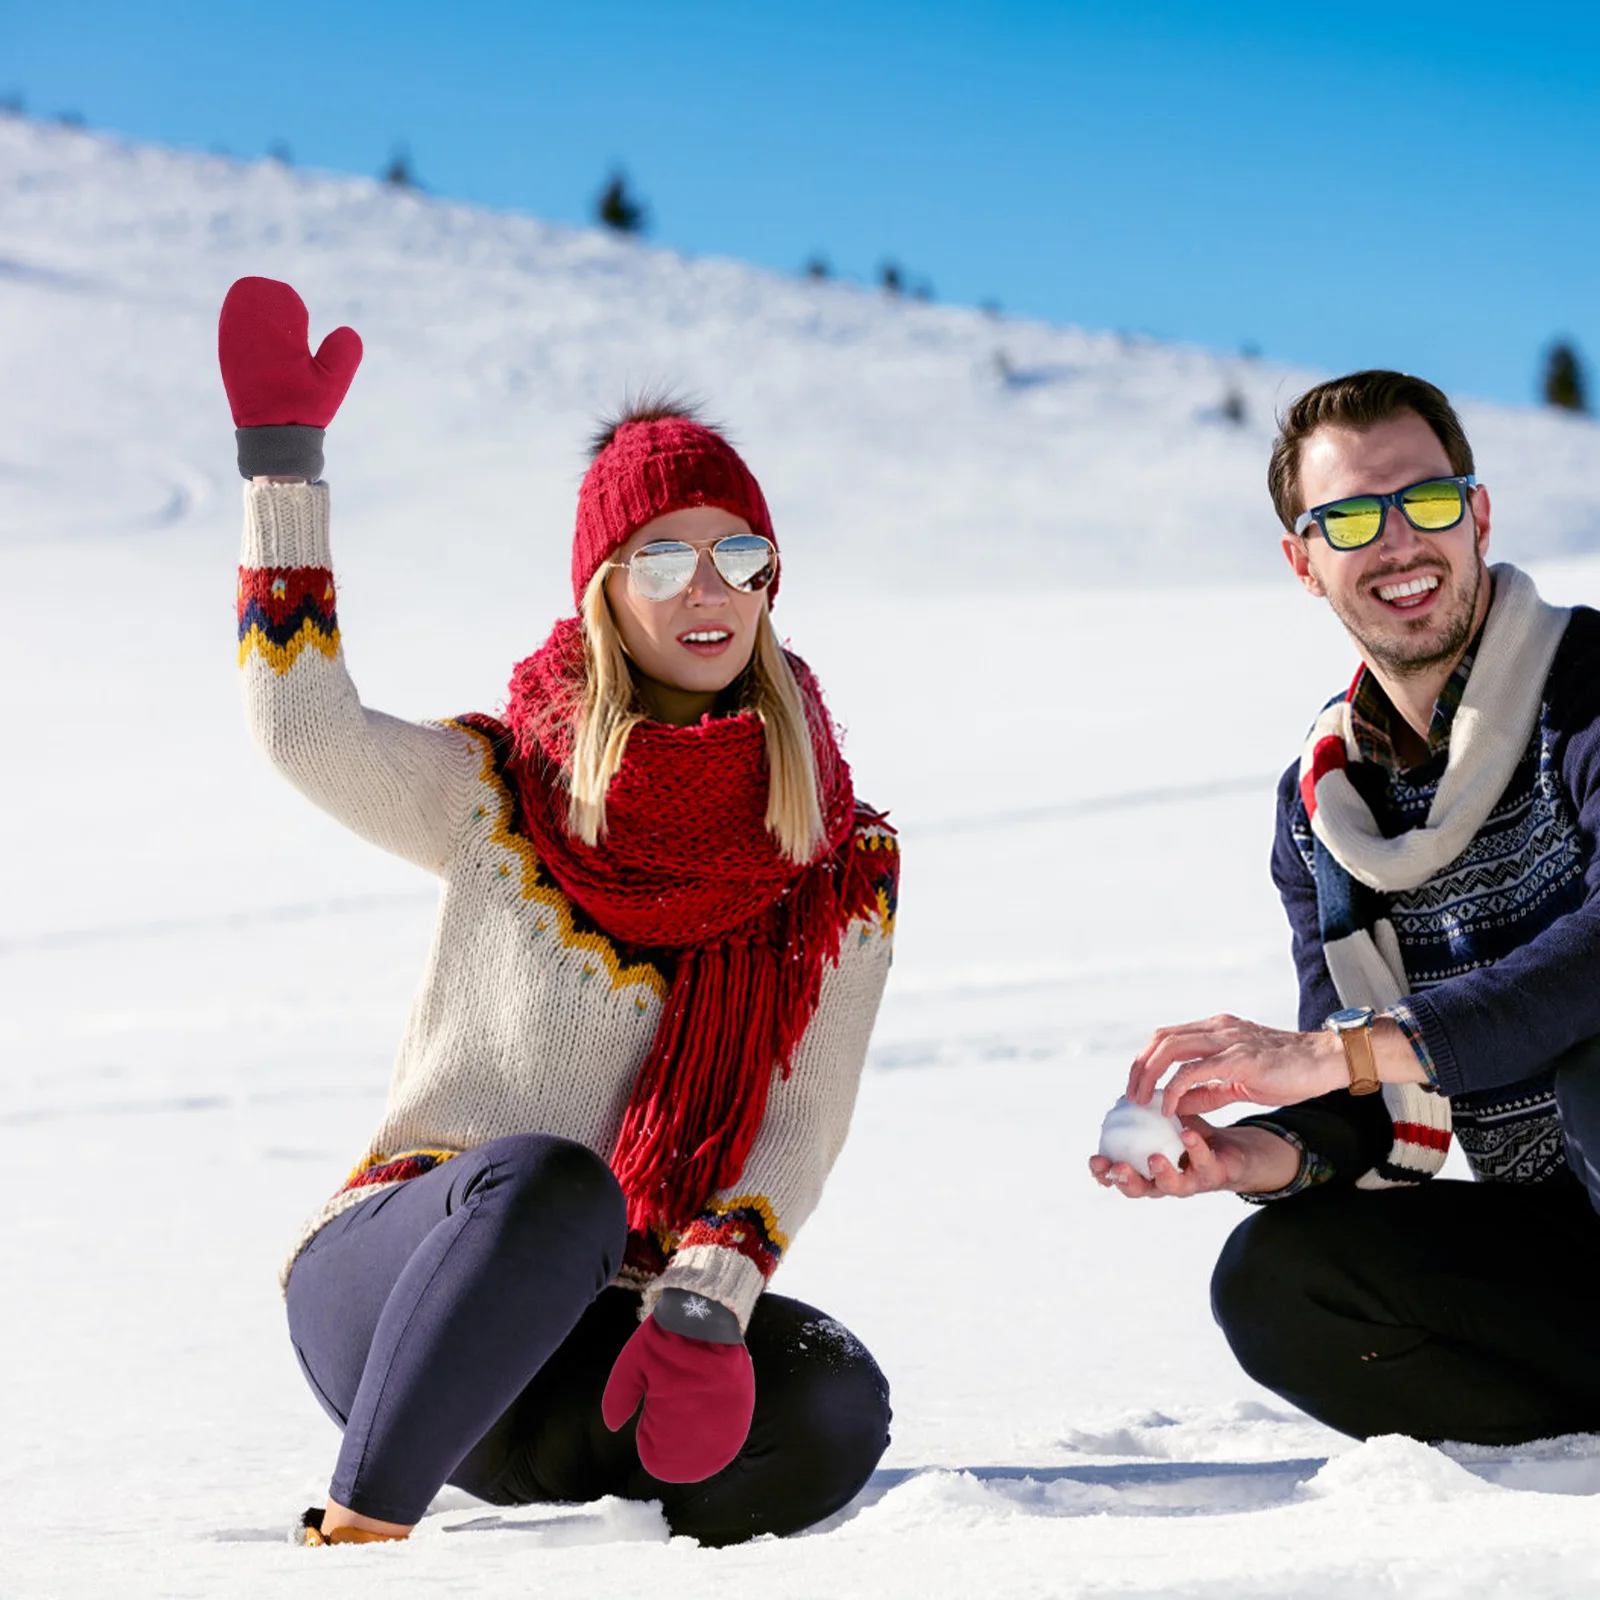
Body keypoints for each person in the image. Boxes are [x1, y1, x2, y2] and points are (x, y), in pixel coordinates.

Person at [219, 277, 900, 1547]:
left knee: (827, 1396)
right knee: (551, 1183)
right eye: (663, 554)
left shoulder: (837, 860)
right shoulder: (502, 791)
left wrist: (706, 1296)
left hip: (590, 1330)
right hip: (399, 1285)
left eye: (738, 553)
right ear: (603, 585)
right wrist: (283, 474)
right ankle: (363, 1524)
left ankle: (610, 1516)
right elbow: (302, 731)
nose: (710, 587)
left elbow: (800, 1120)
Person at [1089, 369, 1600, 1447]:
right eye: (1351, 518)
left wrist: (1352, 1051)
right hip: (1561, 1236)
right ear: (1303, 562)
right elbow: (1365, 1098)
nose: (1398, 543)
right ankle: (1558, 1469)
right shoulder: (1325, 810)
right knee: (1280, 1276)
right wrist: (1250, 1154)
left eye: (1425, 500)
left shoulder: (1590, 687)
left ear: (1478, 514)